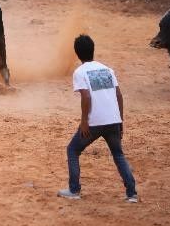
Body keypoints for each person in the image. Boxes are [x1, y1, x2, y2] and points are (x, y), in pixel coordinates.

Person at [58, 35, 138, 203]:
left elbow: (86, 97)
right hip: (113, 119)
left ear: (77, 53)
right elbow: (119, 95)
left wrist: (84, 121)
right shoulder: (107, 69)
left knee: (73, 150)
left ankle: (74, 190)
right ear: (93, 50)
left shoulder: (80, 72)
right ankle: (132, 194)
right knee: (118, 154)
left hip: (95, 121)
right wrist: (120, 120)